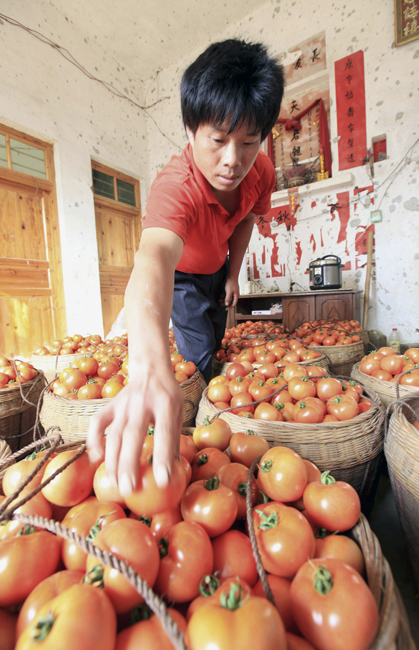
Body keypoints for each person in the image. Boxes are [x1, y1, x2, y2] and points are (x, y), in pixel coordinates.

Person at [87, 38, 284, 496]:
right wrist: (149, 369)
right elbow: (153, 259)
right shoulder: (176, 187)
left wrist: (234, 272)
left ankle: (209, 402)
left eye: (249, 142)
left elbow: (248, 216)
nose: (233, 160)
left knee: (215, 336)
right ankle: (191, 431)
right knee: (195, 352)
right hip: (181, 277)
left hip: (218, 268)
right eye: (218, 141)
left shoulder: (263, 172)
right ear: (191, 131)